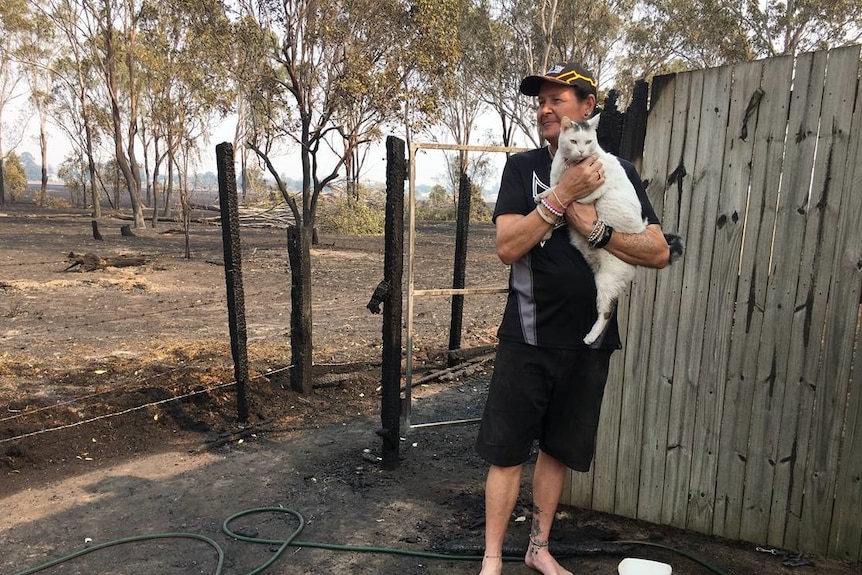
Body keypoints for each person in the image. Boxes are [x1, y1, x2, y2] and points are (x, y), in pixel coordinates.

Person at [475, 62, 671, 575]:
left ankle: (539, 548)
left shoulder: (621, 171)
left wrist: (599, 231)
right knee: (507, 450)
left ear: (587, 110)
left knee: (559, 450)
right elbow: (507, 246)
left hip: (588, 342)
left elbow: (657, 251)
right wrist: (561, 195)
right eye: (540, 100)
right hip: (528, 334)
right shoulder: (522, 170)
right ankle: (492, 558)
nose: (545, 108)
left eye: (557, 99)